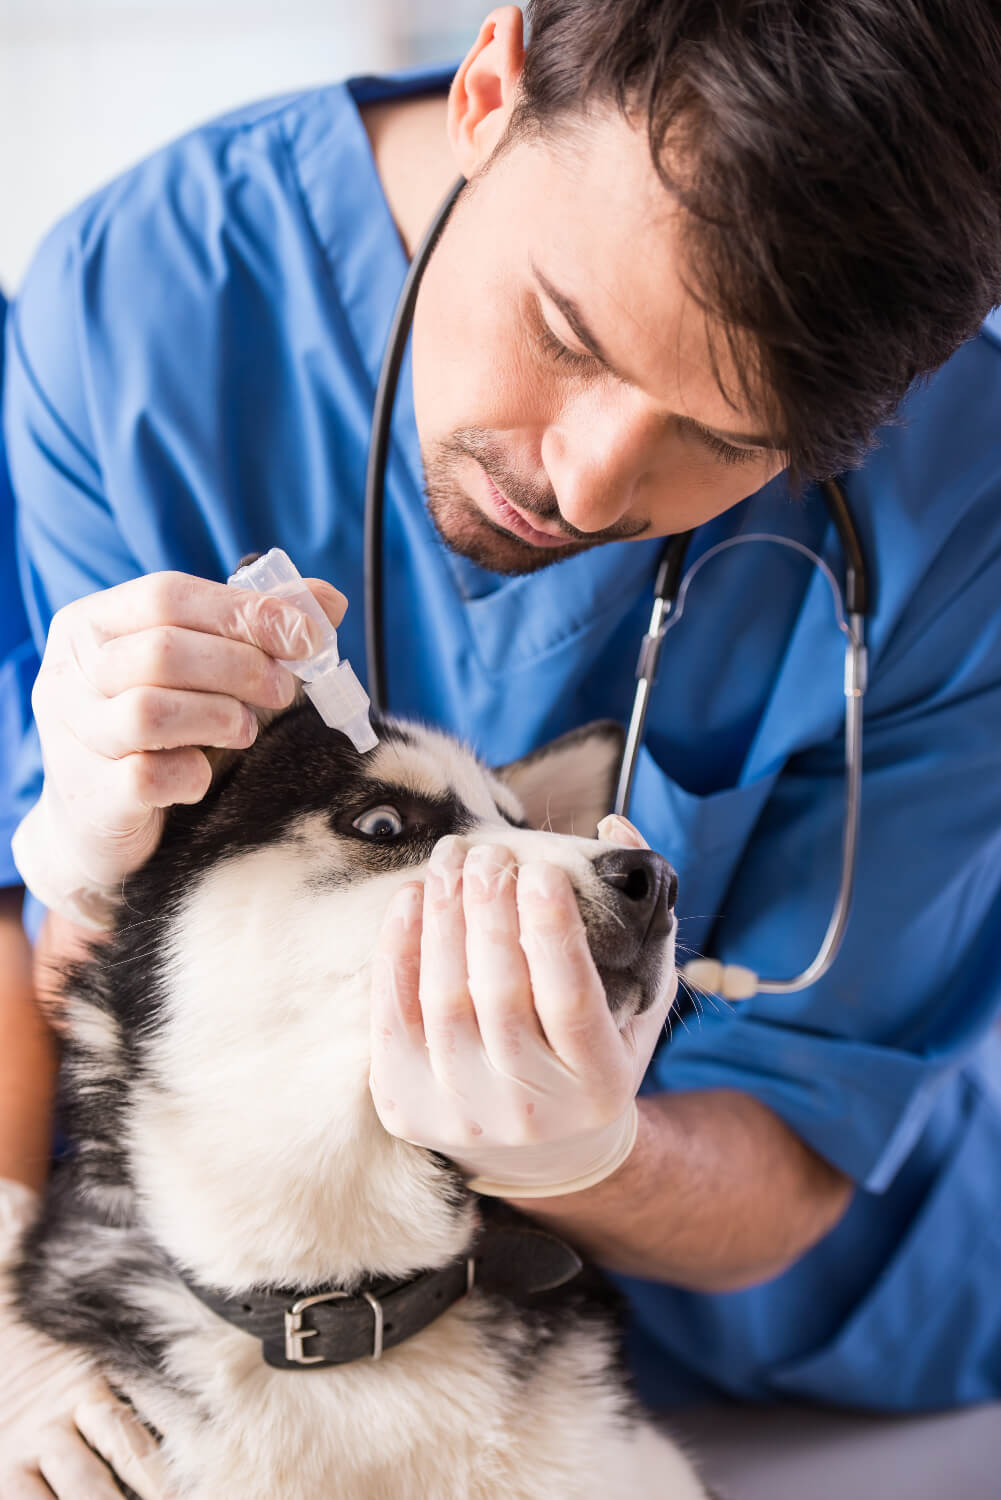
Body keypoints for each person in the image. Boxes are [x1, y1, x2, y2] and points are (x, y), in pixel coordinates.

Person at [2, 0, 1001, 1485]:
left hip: (782, 1333)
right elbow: (44, 941)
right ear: (492, 83)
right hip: (226, 1309)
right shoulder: (154, 304)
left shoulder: (962, 505)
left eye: (728, 439)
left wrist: (589, 1158)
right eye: (564, 331)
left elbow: (805, 1139)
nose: (590, 483)